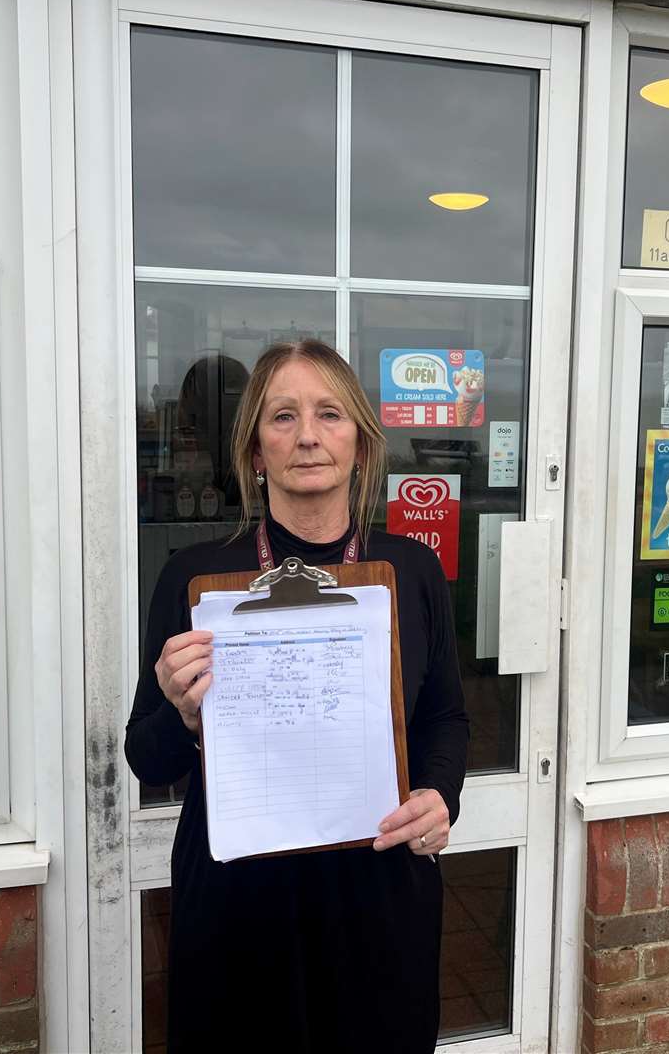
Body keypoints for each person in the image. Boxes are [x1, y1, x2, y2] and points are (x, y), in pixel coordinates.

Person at [124, 339, 468, 1053]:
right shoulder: (199, 580)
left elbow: (444, 716)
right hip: (239, 907)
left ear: (361, 445)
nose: (307, 435)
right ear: (254, 450)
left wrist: (440, 794)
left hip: (375, 893)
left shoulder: (411, 569)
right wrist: (182, 714)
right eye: (282, 417)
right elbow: (146, 759)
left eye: (329, 414)